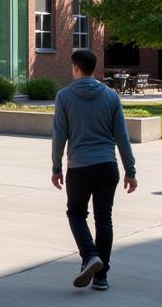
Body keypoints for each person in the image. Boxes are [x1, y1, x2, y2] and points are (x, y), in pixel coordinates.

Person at [52, 48, 137, 291]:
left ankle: (89, 255)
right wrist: (130, 170)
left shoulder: (64, 96)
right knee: (104, 218)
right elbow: (122, 136)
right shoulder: (111, 96)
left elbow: (59, 136)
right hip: (107, 166)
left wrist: (56, 167)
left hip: (79, 167)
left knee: (76, 213)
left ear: (76, 67)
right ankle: (101, 276)